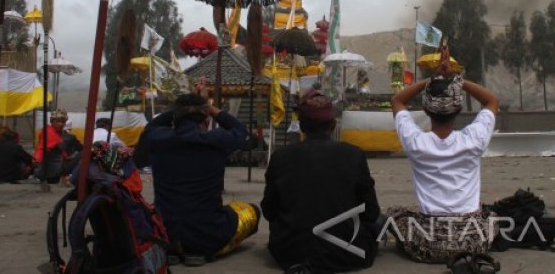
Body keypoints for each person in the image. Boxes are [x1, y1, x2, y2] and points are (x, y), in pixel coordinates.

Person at [388, 47, 500, 264]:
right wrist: (455, 79)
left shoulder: (415, 143)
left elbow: (398, 101)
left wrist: (432, 80)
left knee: (396, 215)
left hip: (427, 245)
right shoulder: (473, 140)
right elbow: (491, 101)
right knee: (493, 216)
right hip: (473, 242)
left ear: (427, 111)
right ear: (458, 111)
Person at [262, 88, 381, 273]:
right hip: (347, 253)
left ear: (301, 127)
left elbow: (269, 211)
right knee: (382, 221)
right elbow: (371, 212)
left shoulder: (280, 156)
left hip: (291, 252)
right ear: (333, 125)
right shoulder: (353, 154)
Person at [143, 93, 259, 267]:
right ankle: (197, 251)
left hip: (165, 233)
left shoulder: (158, 138)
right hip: (207, 235)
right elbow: (240, 131)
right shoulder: (217, 140)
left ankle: (174, 250)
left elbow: (151, 126)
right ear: (205, 119)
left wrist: (177, 110)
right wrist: (212, 109)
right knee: (253, 211)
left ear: (175, 118)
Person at [34, 110, 83, 184]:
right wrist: (37, 160)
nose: (60, 124)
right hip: (52, 170)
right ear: (52, 121)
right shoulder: (49, 133)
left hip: (55, 167)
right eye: (57, 121)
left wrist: (66, 157)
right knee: (84, 153)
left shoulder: (57, 133)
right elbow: (41, 148)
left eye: (63, 122)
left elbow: (60, 149)